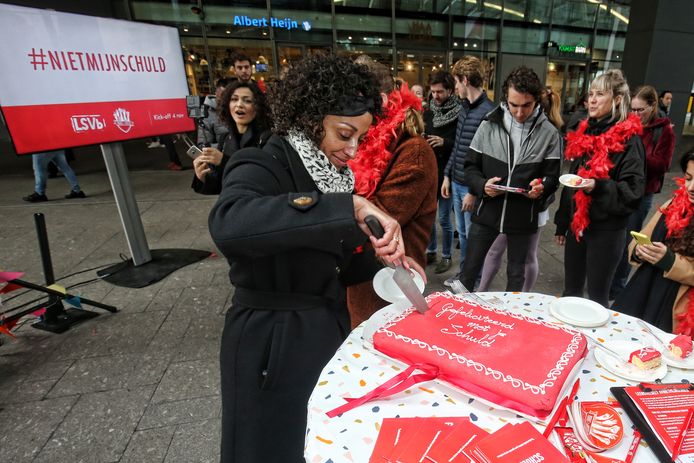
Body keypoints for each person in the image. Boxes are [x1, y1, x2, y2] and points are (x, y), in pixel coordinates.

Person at [209, 54, 415, 463]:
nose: (352, 150)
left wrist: (388, 265)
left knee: (316, 441)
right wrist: (347, 207)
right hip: (271, 340)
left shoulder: (331, 176)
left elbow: (335, 262)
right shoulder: (262, 162)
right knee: (268, 446)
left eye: (360, 138)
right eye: (344, 134)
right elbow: (229, 223)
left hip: (321, 330)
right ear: (309, 118)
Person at [346, 56, 437, 327]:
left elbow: (376, 223)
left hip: (387, 293)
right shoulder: (356, 143)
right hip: (356, 282)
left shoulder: (414, 152)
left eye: (352, 103)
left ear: (382, 102)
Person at [460, 66, 561, 292]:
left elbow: (553, 176)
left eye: (526, 105)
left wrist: (542, 186)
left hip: (523, 215)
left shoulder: (550, 133)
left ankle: (513, 320)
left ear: (537, 100)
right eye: (514, 105)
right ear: (505, 97)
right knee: (469, 270)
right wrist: (482, 186)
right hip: (487, 211)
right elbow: (470, 167)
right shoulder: (488, 124)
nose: (519, 112)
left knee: (517, 274)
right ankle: (456, 316)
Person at [554, 69, 645, 307]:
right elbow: (572, 182)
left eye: (600, 94)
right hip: (577, 225)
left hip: (606, 230)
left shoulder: (629, 139)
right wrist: (563, 221)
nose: (591, 100)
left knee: (597, 298)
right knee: (570, 292)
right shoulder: (585, 130)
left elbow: (633, 193)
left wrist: (598, 186)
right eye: (591, 94)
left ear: (616, 99)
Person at [612, 151, 694, 335]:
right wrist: (639, 250)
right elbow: (642, 236)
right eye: (688, 178)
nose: (691, 187)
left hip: (676, 305)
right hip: (644, 290)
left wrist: (670, 262)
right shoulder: (674, 202)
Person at [610, 85, 676, 299]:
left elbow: (663, 164)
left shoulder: (663, 130)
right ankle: (607, 280)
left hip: (642, 194)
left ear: (653, 106)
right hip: (622, 190)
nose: (636, 114)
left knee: (630, 242)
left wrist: (634, 158)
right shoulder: (626, 124)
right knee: (613, 238)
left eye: (641, 110)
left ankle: (618, 289)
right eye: (633, 109)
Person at [441, 56, 495, 286]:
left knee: (474, 239)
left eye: (456, 82)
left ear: (464, 80)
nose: (454, 88)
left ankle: (474, 283)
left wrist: (475, 191)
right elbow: (458, 146)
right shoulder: (464, 109)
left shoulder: (489, 112)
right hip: (456, 182)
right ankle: (465, 277)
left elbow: (488, 160)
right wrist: (447, 174)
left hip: (471, 187)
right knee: (462, 236)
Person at [191, 81, 271, 195]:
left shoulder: (267, 138)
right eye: (234, 99)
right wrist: (202, 177)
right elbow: (221, 185)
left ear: (257, 107)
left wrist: (223, 161)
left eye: (247, 100)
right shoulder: (225, 138)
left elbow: (261, 179)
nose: (239, 104)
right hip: (231, 206)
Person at [422, 71, 460, 274]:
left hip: (447, 172)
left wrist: (445, 142)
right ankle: (431, 251)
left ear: (451, 90)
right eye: (433, 91)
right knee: (429, 215)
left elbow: (464, 145)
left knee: (445, 218)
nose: (435, 96)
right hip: (429, 172)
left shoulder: (460, 112)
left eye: (440, 92)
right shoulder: (427, 111)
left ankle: (446, 256)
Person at [197, 78, 230, 149]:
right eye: (222, 98)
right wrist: (226, 146)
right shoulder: (207, 113)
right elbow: (203, 146)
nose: (225, 103)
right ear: (216, 94)